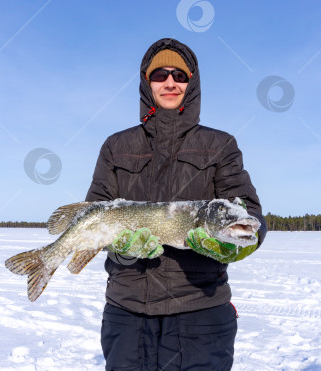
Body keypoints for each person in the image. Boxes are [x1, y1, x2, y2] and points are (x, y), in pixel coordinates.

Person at [85, 38, 267, 370]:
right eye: (160, 74)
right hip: (127, 313)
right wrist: (120, 246)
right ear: (146, 82)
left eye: (180, 76)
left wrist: (233, 248)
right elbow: (94, 213)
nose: (170, 82)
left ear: (192, 83)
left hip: (201, 313)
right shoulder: (116, 146)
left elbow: (250, 215)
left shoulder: (220, 145)